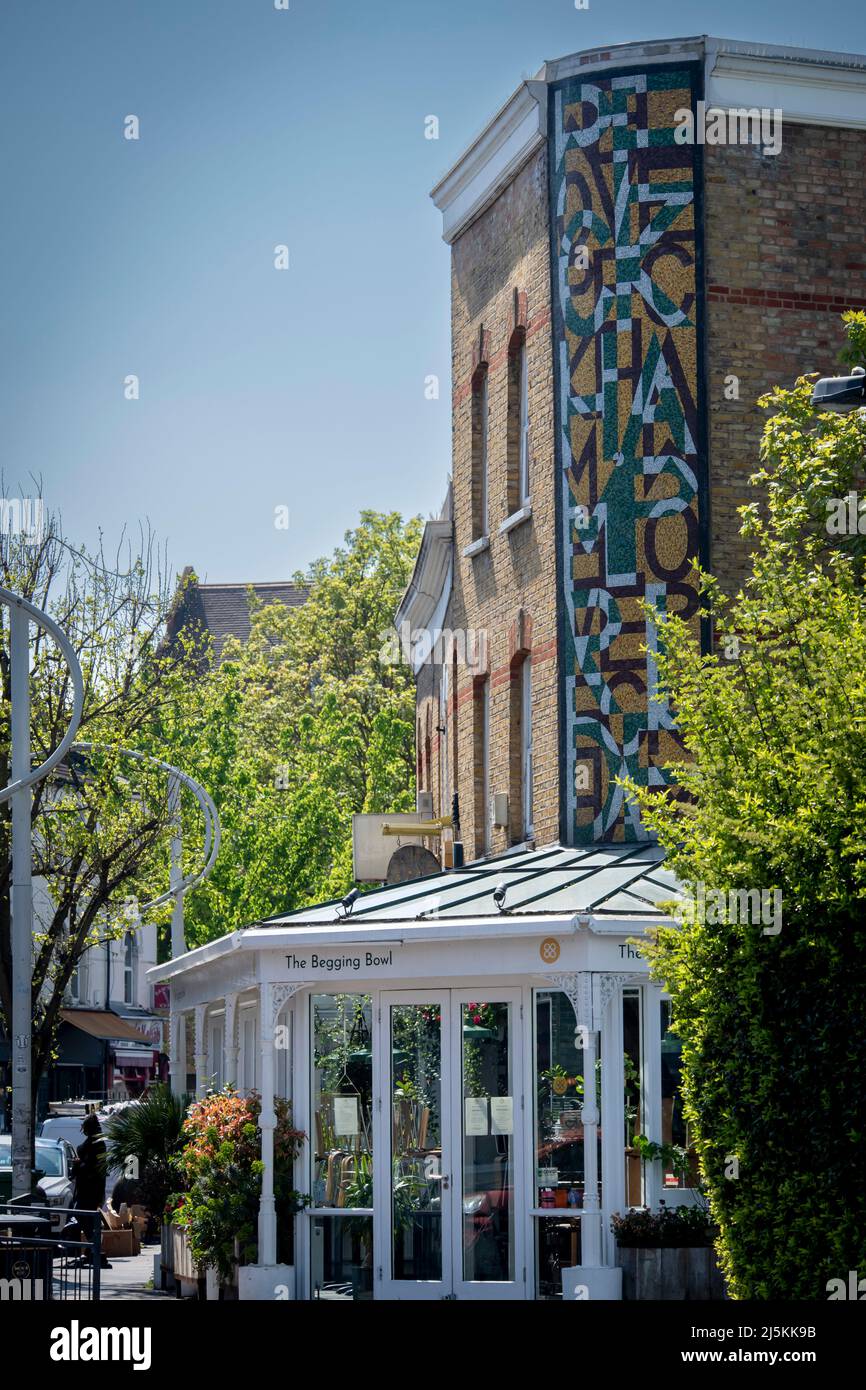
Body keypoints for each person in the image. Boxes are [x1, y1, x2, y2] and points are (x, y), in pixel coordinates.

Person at [71, 1112, 111, 1269]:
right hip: (87, 1188)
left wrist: (78, 1164)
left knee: (82, 1215)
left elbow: (91, 1168)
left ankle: (93, 1248)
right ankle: (91, 1250)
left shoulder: (97, 1144)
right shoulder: (95, 1143)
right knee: (84, 1217)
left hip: (90, 1189)